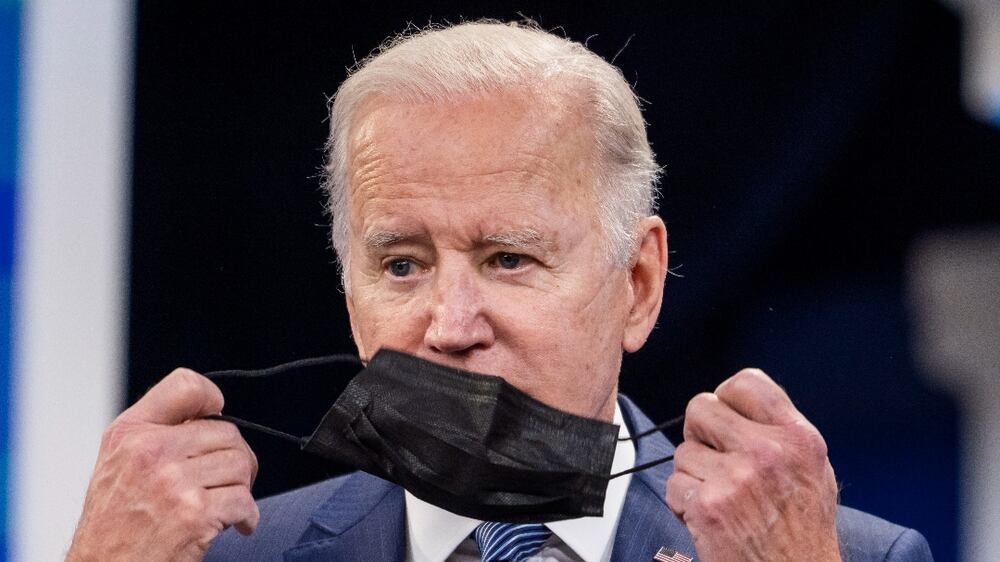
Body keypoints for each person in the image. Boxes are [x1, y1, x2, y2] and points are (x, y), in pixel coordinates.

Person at [65, 21, 933, 562]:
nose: (450, 325)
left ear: (637, 285)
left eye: (508, 258)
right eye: (401, 265)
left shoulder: (841, 559)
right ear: (349, 296)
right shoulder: (223, 557)